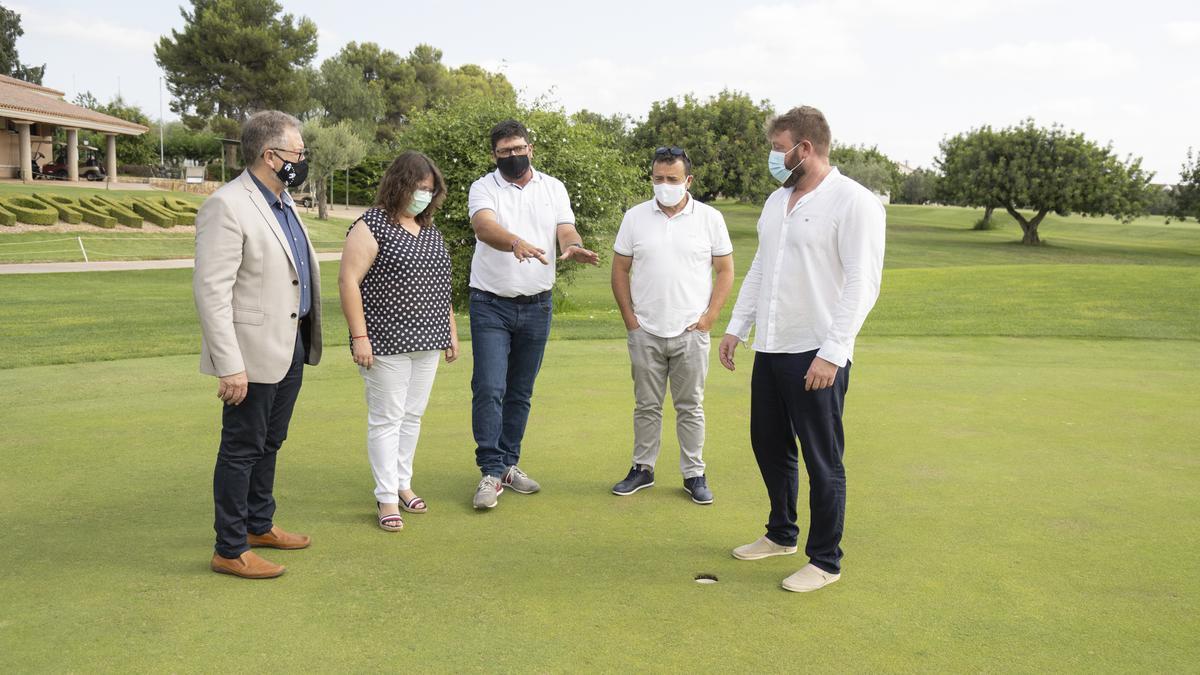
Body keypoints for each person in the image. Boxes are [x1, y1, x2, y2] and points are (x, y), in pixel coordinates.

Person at [718, 105, 885, 593]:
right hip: (771, 346)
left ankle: (826, 560)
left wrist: (833, 351)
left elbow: (863, 282)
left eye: (778, 149)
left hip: (816, 350)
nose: (773, 158)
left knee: (822, 457)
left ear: (804, 148)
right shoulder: (777, 201)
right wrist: (737, 327)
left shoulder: (854, 202)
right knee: (768, 445)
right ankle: (781, 534)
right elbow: (760, 268)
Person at [194, 110, 322, 579]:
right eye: (298, 153)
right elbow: (212, 290)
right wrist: (229, 365)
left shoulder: (283, 201)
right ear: (271, 156)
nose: (302, 160)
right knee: (242, 446)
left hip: (291, 343)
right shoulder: (228, 205)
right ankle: (229, 548)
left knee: (270, 441)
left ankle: (257, 525)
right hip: (249, 351)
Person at [466, 119, 599, 509]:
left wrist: (573, 245)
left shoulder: (553, 187)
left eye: (518, 148)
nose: (513, 156)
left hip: (538, 304)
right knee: (490, 387)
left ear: (531, 149)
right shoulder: (484, 187)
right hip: (491, 303)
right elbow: (484, 227)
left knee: (520, 392)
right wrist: (515, 242)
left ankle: (509, 463)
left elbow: (565, 228)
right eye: (505, 151)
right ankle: (490, 471)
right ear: (495, 155)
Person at [338, 151, 459, 532]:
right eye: (418, 188)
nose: (424, 195)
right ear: (399, 185)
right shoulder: (370, 225)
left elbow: (441, 286)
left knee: (412, 416)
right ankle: (386, 494)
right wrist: (360, 337)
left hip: (428, 339)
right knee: (387, 419)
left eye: (429, 189)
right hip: (386, 341)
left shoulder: (430, 229)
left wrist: (451, 331)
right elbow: (348, 282)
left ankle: (403, 483)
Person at [610, 146, 734, 504]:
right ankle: (642, 468)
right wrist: (631, 320)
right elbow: (619, 270)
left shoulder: (710, 218)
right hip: (645, 329)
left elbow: (724, 271)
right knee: (646, 405)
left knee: (690, 406)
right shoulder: (635, 217)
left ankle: (694, 473)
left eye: (672, 179)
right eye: (658, 178)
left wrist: (710, 317)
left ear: (688, 181)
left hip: (691, 331)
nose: (664, 185)